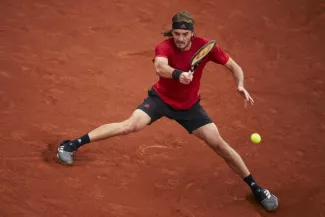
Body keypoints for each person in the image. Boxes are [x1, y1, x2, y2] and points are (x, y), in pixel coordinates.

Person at [57, 10, 278, 212]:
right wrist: (178, 75)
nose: (180, 39)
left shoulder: (205, 47)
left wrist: (240, 84)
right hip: (161, 99)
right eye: (176, 33)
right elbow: (160, 67)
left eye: (184, 34)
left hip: (190, 107)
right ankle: (72, 144)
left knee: (219, 144)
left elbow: (234, 66)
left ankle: (256, 188)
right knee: (130, 125)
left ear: (192, 33)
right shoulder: (164, 46)